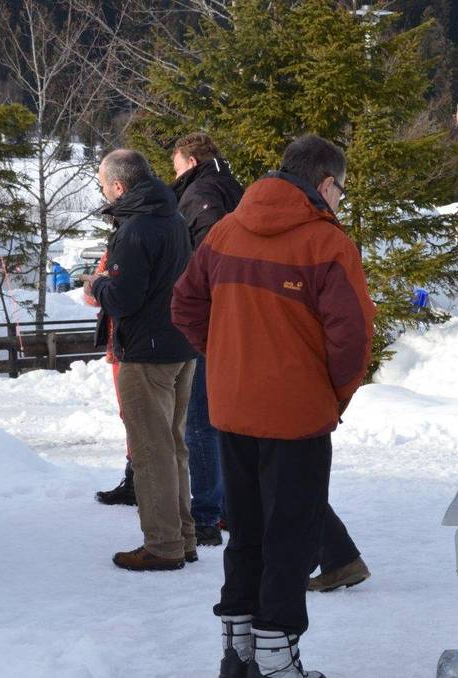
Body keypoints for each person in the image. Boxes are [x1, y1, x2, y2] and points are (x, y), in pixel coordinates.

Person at [172, 134, 375, 678]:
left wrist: (227, 357)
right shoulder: (326, 244)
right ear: (326, 184)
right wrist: (332, 394)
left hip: (234, 410)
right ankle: (278, 660)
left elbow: (186, 304)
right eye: (342, 191)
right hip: (296, 417)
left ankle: (237, 654)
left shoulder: (225, 229)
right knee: (291, 537)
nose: (340, 202)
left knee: (247, 533)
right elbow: (353, 338)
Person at [83, 149, 198, 572]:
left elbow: (126, 299)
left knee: (152, 452)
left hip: (146, 353)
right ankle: (182, 538)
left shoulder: (134, 230)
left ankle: (164, 545)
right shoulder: (173, 217)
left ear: (118, 186)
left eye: (102, 185)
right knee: (174, 448)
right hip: (179, 347)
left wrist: (97, 287)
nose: (102, 192)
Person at [170, 132, 245, 548]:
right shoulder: (230, 186)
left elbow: (209, 259)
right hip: (233, 319)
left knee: (201, 422)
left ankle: (206, 514)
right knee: (224, 420)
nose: (174, 173)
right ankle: (228, 507)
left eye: (177, 163)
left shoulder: (201, 193)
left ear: (192, 160)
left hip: (214, 321)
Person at [85, 249, 136, 507]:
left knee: (142, 416)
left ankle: (143, 483)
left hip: (132, 344)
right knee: (128, 414)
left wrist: (100, 284)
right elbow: (89, 296)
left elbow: (108, 294)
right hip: (119, 347)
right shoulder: (113, 250)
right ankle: (135, 479)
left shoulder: (135, 243)